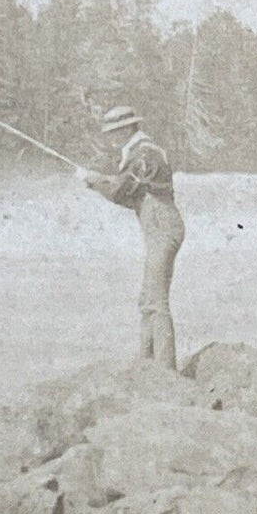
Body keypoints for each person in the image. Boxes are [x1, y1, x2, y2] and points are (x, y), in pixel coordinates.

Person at [81, 106, 185, 370]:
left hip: (162, 225)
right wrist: (101, 181)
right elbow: (130, 194)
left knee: (156, 300)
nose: (112, 138)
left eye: (115, 132)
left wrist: (95, 182)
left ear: (129, 128)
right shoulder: (143, 153)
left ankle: (164, 370)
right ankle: (147, 366)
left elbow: (121, 190)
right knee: (148, 298)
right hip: (160, 225)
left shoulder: (144, 153)